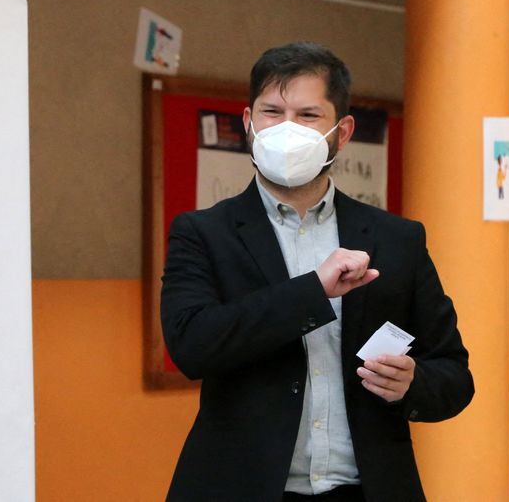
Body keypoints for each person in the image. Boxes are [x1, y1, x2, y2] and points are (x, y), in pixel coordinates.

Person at [160, 42, 474, 502]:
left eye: (308, 115)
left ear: (341, 132)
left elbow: (453, 374)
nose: (286, 129)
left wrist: (413, 384)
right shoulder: (203, 232)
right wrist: (313, 292)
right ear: (248, 123)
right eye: (271, 112)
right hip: (241, 487)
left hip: (366, 488)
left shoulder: (396, 239)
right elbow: (191, 346)